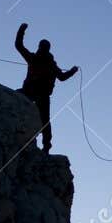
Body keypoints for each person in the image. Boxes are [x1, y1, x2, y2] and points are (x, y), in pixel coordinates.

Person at [14, 22, 78, 151]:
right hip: (35, 92)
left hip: (35, 93)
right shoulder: (45, 62)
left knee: (44, 119)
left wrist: (22, 30)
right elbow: (62, 77)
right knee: (44, 120)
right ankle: (46, 145)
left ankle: (46, 145)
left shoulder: (39, 60)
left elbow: (19, 45)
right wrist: (72, 71)